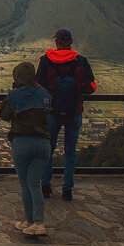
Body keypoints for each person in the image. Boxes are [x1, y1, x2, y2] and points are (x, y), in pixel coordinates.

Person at [35, 29, 97, 200]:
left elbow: (37, 84)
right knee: (70, 151)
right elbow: (92, 86)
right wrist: (78, 93)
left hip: (52, 112)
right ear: (71, 42)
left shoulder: (46, 60)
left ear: (56, 42)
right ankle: (67, 189)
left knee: (48, 149)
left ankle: (45, 186)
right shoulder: (80, 61)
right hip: (74, 111)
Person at [0, 62, 52, 236]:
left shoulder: (15, 95)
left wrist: (11, 93)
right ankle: (35, 222)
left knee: (25, 184)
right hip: (43, 143)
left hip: (22, 143)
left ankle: (34, 221)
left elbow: (3, 114)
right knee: (35, 184)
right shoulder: (44, 93)